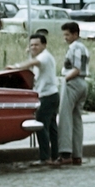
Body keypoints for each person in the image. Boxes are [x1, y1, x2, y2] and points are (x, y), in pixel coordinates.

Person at [16, 33, 61, 165]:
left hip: (46, 96)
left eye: (36, 45)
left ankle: (45, 157)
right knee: (51, 127)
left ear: (44, 45)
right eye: (31, 45)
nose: (33, 47)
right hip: (52, 94)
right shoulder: (43, 56)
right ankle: (55, 156)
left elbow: (33, 63)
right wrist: (30, 54)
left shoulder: (44, 57)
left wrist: (16, 66)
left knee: (41, 127)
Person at [57, 21, 90, 166]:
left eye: (67, 35)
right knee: (76, 119)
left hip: (73, 82)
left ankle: (65, 153)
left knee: (65, 117)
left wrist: (65, 79)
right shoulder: (84, 48)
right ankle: (77, 154)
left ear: (75, 34)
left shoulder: (75, 47)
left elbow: (76, 68)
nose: (65, 37)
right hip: (82, 83)